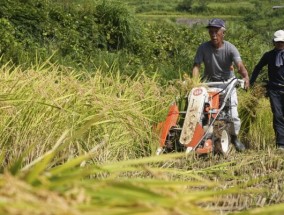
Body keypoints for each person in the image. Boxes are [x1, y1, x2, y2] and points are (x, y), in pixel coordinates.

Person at [191, 18, 250, 152]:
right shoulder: (203, 48)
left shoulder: (230, 48)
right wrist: (195, 83)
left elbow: (239, 65)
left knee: (233, 115)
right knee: (203, 113)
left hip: (228, 84)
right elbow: (196, 66)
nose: (213, 34)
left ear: (223, 33)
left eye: (216, 31)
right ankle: (200, 139)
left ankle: (234, 138)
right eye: (211, 31)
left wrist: (245, 76)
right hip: (209, 84)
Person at [250, 30, 284, 150]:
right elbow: (258, 67)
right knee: (278, 115)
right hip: (274, 89)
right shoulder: (269, 55)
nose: (280, 44)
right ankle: (280, 143)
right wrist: (251, 82)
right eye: (278, 42)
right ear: (273, 43)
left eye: (282, 42)